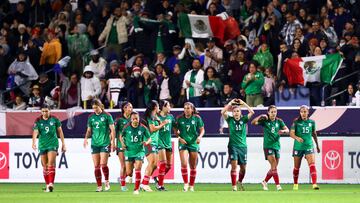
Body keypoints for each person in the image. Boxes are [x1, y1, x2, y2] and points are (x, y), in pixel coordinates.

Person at [251, 105, 289, 191]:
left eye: (275, 112)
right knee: (274, 165)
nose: (273, 114)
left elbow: (287, 130)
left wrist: (283, 131)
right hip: (268, 146)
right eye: (271, 112)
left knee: (273, 167)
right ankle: (278, 185)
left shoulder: (279, 121)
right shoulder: (265, 120)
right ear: (268, 112)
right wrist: (260, 116)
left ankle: (264, 181)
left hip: (277, 146)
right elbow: (253, 123)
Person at [220, 98, 254, 191]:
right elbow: (222, 112)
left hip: (243, 147)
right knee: (234, 166)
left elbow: (252, 112)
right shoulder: (230, 120)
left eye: (238, 111)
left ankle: (240, 181)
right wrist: (230, 103)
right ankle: (234, 186)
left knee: (243, 169)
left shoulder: (244, 119)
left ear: (240, 112)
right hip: (233, 146)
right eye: (234, 111)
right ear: (232, 112)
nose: (236, 113)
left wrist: (244, 104)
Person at [83, 99, 116, 192]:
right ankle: (99, 186)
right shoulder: (91, 117)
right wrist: (85, 138)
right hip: (95, 144)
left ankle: (106, 181)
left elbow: (112, 129)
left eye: (96, 108)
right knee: (96, 166)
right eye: (93, 108)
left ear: (100, 106)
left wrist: (113, 142)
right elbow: (89, 130)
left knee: (103, 164)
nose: (95, 110)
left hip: (105, 143)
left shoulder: (107, 116)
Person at [32, 105, 66, 192]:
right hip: (42, 145)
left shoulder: (54, 119)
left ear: (50, 111)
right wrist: (34, 142)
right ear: (41, 112)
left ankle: (51, 183)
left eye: (46, 111)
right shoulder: (38, 120)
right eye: (43, 111)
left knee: (50, 163)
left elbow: (60, 131)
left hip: (53, 144)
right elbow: (35, 132)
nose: (45, 113)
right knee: (45, 166)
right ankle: (47, 185)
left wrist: (63, 144)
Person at [175, 102, 205, 192]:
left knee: (192, 166)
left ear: (192, 109)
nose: (186, 110)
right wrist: (179, 137)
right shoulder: (179, 118)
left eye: (188, 108)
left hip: (193, 143)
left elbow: (202, 129)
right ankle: (185, 184)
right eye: (185, 108)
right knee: (184, 164)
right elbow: (175, 129)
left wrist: (200, 137)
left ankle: (191, 186)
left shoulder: (197, 118)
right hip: (183, 143)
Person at [120, 111, 151, 195]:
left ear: (139, 118)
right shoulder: (126, 127)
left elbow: (149, 138)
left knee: (138, 169)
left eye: (136, 118)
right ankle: (128, 177)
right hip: (129, 152)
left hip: (139, 151)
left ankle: (136, 189)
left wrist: (146, 142)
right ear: (131, 119)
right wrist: (122, 143)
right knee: (129, 172)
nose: (135, 120)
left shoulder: (143, 127)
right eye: (133, 119)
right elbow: (121, 136)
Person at [290, 105, 320, 190]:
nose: (303, 113)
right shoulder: (296, 121)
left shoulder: (312, 122)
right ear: (300, 113)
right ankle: (295, 184)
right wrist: (297, 138)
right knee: (296, 167)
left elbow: (314, 134)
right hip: (298, 147)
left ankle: (314, 184)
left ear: (308, 112)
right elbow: (291, 133)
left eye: (305, 111)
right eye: (302, 111)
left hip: (308, 146)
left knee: (312, 164)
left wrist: (317, 145)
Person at [141, 100, 168, 192]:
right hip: (150, 142)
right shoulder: (149, 117)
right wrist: (163, 124)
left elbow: (157, 125)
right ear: (155, 107)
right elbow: (152, 129)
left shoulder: (154, 117)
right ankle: (144, 184)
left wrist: (159, 121)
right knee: (152, 163)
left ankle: (144, 182)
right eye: (158, 106)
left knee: (155, 165)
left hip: (155, 143)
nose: (159, 108)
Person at [154, 100, 175, 191]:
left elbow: (175, 127)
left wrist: (179, 133)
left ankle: (158, 178)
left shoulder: (171, 117)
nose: (170, 107)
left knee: (169, 165)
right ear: (163, 107)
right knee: (163, 163)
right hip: (160, 141)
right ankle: (160, 185)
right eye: (168, 106)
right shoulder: (156, 117)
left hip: (168, 142)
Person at [114, 102, 133, 191]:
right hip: (120, 145)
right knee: (123, 166)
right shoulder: (119, 120)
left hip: (132, 146)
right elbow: (113, 132)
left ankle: (122, 178)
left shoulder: (133, 119)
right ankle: (123, 185)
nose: (131, 109)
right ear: (124, 108)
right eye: (129, 107)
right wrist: (113, 143)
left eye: (131, 107)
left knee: (131, 168)